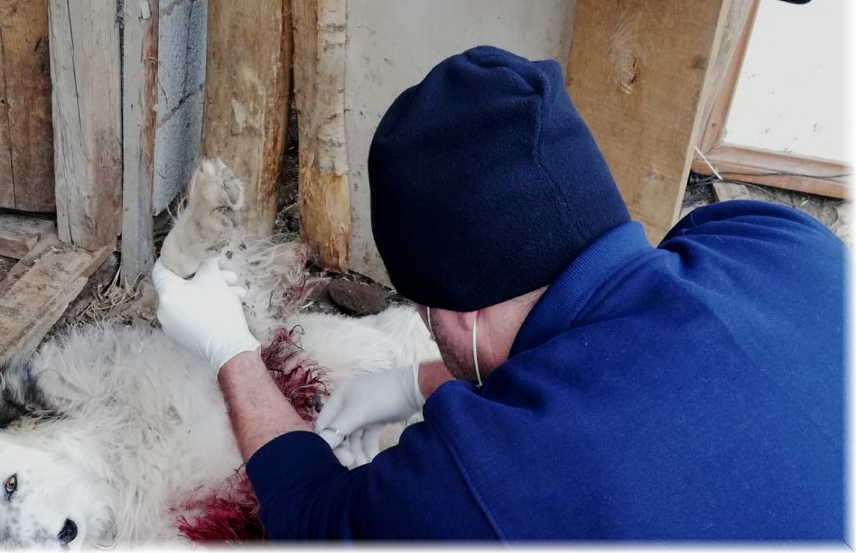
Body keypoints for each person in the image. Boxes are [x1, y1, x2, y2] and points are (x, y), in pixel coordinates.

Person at [151, 46, 845, 540]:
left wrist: (230, 349)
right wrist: (415, 383)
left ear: (461, 312)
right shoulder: (779, 238)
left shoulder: (485, 479)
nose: (429, 337)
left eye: (426, 320)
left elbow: (311, 517)